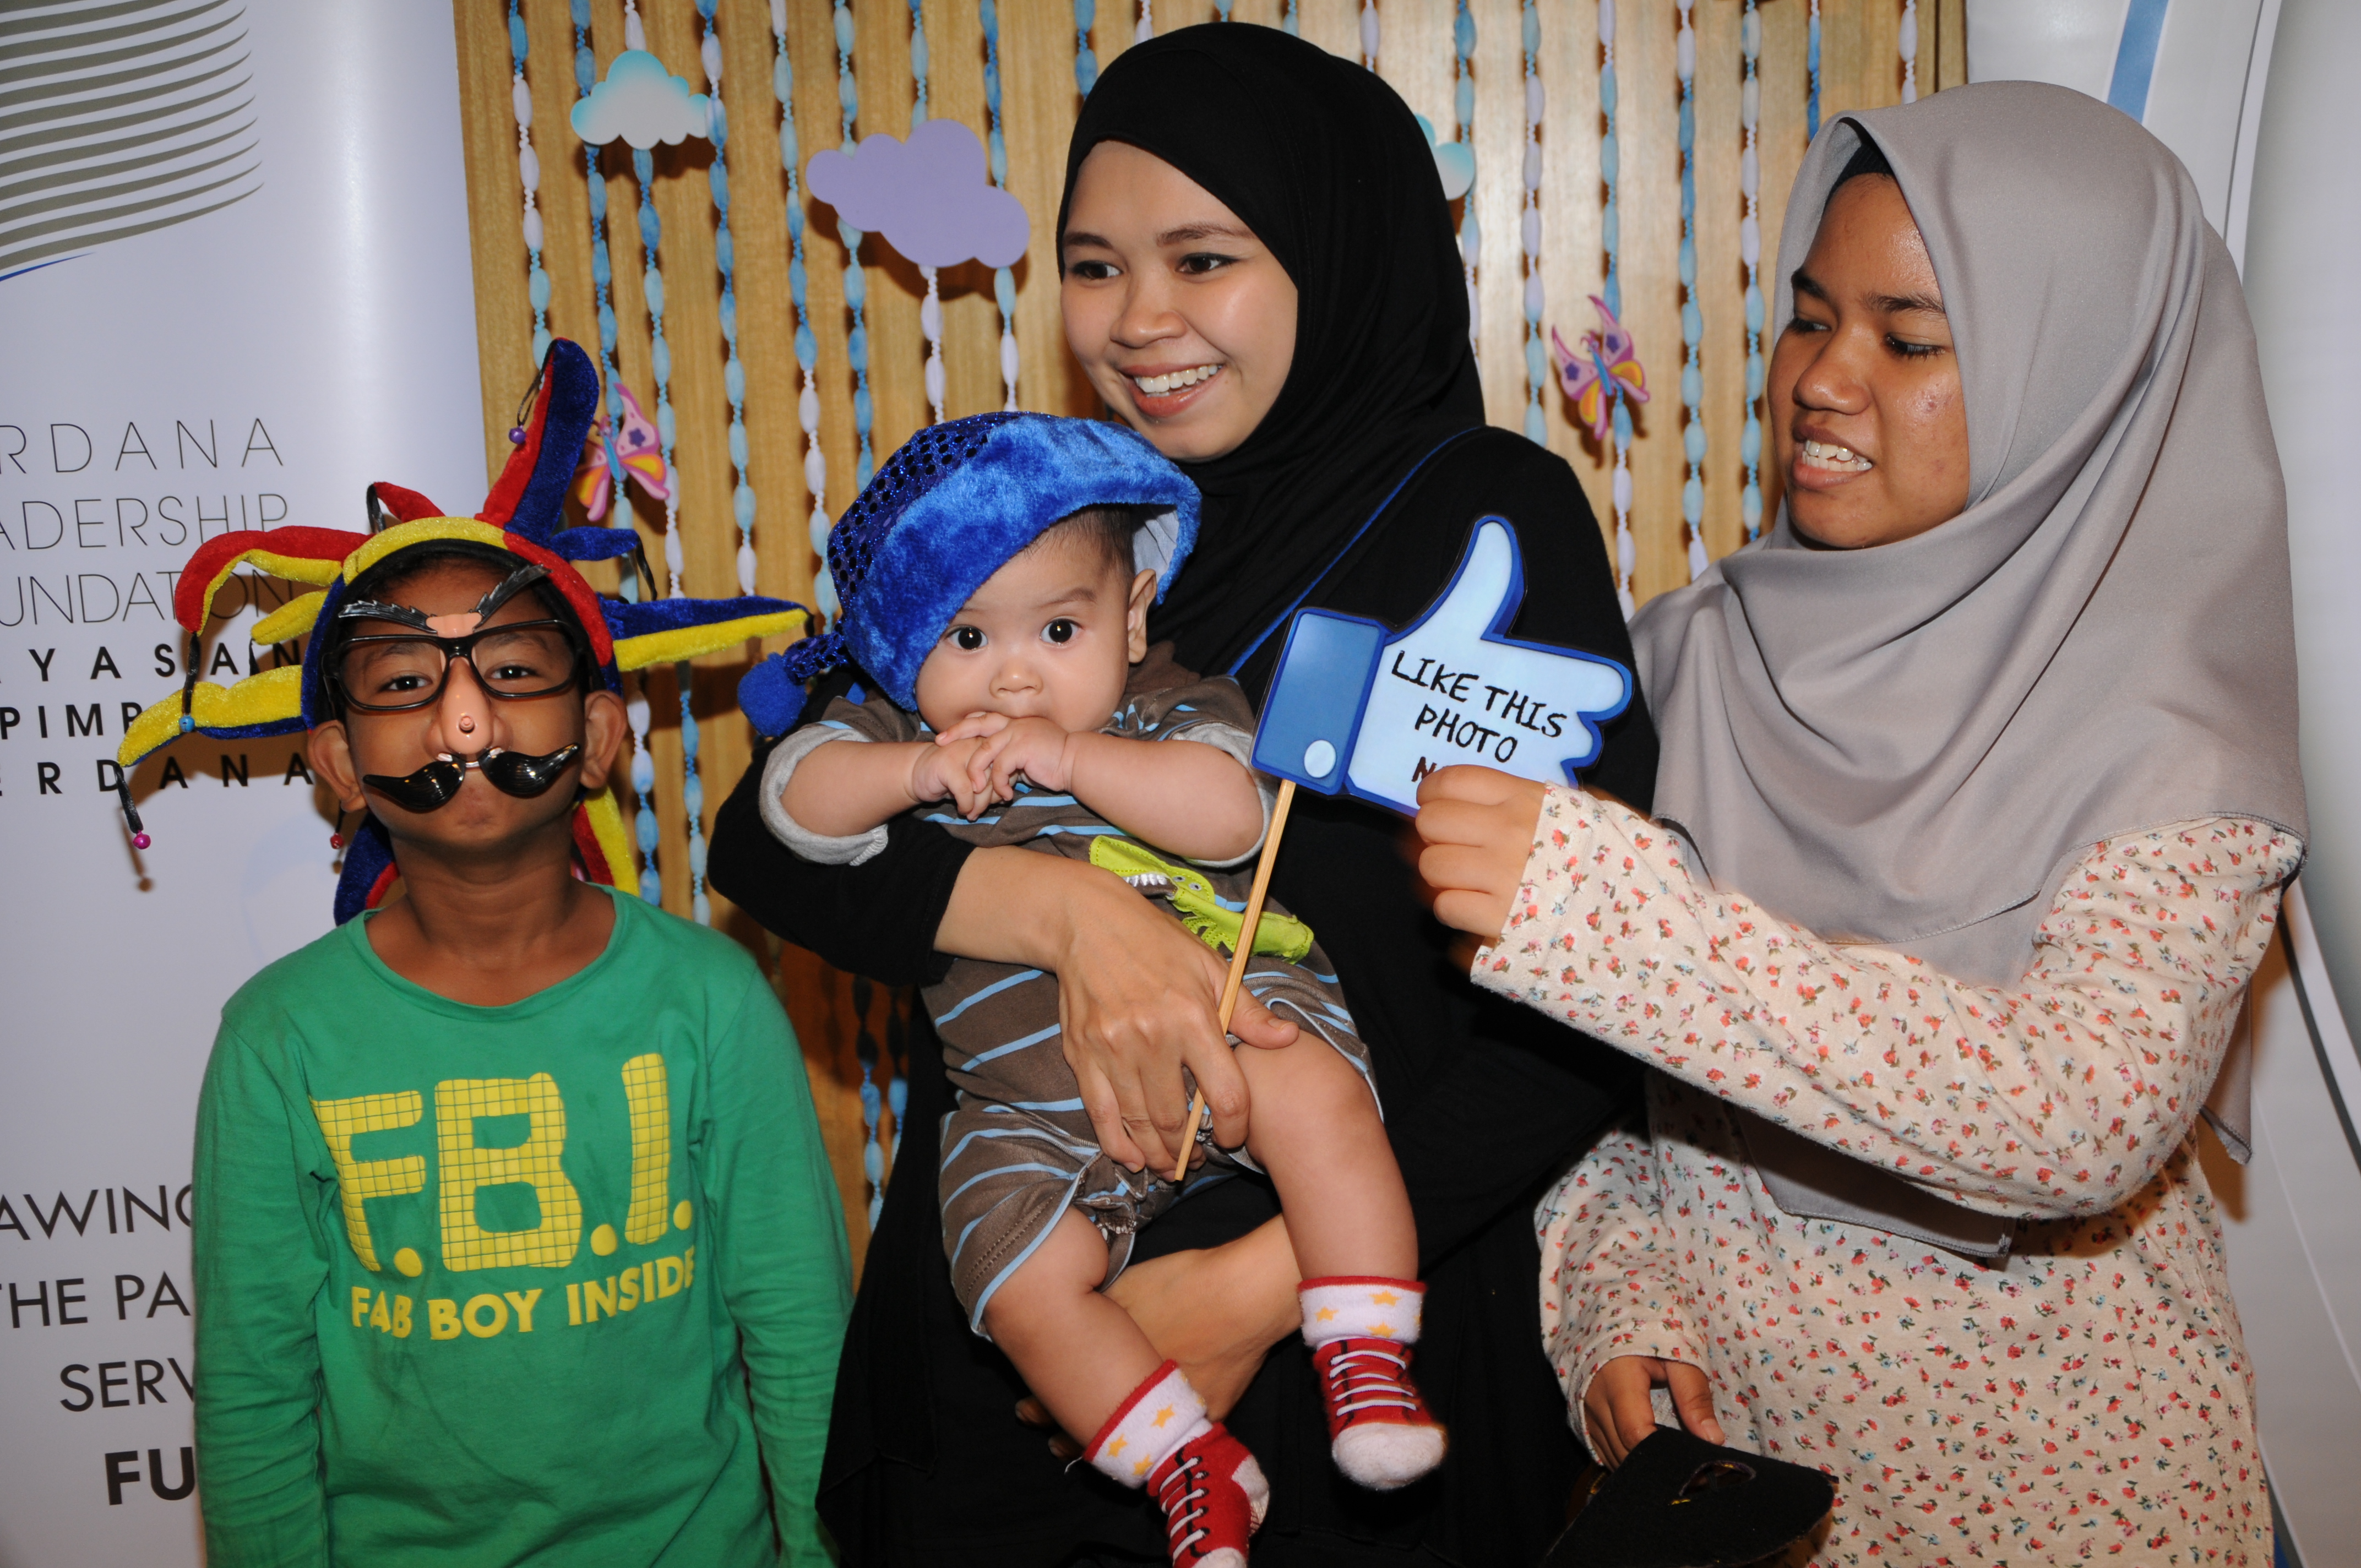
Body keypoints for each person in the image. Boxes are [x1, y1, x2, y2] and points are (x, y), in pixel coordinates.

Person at [709, 24, 1656, 1566]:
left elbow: (1591, 1007)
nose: (1139, 320)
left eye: (1204, 259)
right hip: (1023, 1330)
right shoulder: (1053, 509)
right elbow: (770, 835)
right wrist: (1069, 916)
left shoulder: (1480, 521)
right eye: (1093, 266)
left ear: (1337, 256)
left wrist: (1250, 1289)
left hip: (1342, 1355)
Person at [1415, 83, 2303, 1566]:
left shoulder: (2174, 750)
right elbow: (1595, 1103)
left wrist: (1609, 917)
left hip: (2067, 1515)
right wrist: (1617, 1301)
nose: (1821, 379)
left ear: (2072, 380)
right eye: (1808, 317)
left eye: (1909, 339)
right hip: (1751, 1512)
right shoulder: (1683, 660)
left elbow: (2075, 1112)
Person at [138, 341, 853, 1566]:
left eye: (513, 670)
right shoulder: (279, 1038)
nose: (464, 715)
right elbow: (255, 1390)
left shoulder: (710, 998)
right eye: (405, 681)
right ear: (339, 763)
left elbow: (797, 1333)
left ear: (598, 736)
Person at [750, 412, 1446, 1562]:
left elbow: (1232, 816)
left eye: (1060, 629)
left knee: (1318, 1095)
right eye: (965, 636)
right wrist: (918, 768)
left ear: (1131, 616)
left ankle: (1364, 1352)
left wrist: (1074, 760)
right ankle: (1188, 1466)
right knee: (1011, 1278)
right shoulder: (900, 734)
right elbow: (789, 805)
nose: (1015, 673)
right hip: (1024, 1108)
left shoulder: (1167, 704)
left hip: (1227, 1028)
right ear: (903, 647)